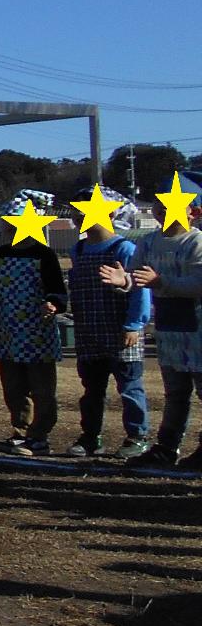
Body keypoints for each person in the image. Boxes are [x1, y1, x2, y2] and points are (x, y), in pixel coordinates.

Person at [116, 192, 202, 469]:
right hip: (168, 331)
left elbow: (198, 283)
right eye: (160, 206)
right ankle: (166, 447)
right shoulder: (148, 241)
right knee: (175, 393)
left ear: (193, 212)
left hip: (198, 331)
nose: (164, 211)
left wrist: (160, 281)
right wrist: (125, 281)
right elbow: (138, 276)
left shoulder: (197, 242)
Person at [0, 226, 67, 455]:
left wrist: (53, 304)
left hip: (38, 334)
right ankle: (20, 431)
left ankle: (40, 435)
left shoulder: (45, 255)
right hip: (8, 332)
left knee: (42, 388)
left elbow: (57, 289)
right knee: (13, 387)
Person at [66, 217, 151, 460]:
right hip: (89, 332)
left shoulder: (124, 248)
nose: (81, 217)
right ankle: (91, 436)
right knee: (92, 390)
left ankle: (137, 436)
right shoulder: (78, 250)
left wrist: (135, 324)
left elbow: (140, 288)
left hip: (122, 332)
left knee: (130, 387)